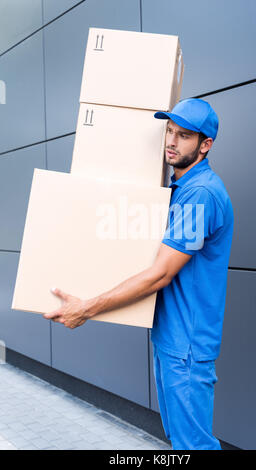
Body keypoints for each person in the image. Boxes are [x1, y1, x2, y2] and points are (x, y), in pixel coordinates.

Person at [43, 98, 234, 450]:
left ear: (205, 145)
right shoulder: (178, 190)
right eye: (169, 131)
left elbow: (160, 274)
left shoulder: (201, 195)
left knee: (194, 445)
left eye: (185, 136)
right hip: (170, 339)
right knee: (181, 441)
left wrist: (87, 308)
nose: (171, 142)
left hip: (187, 346)